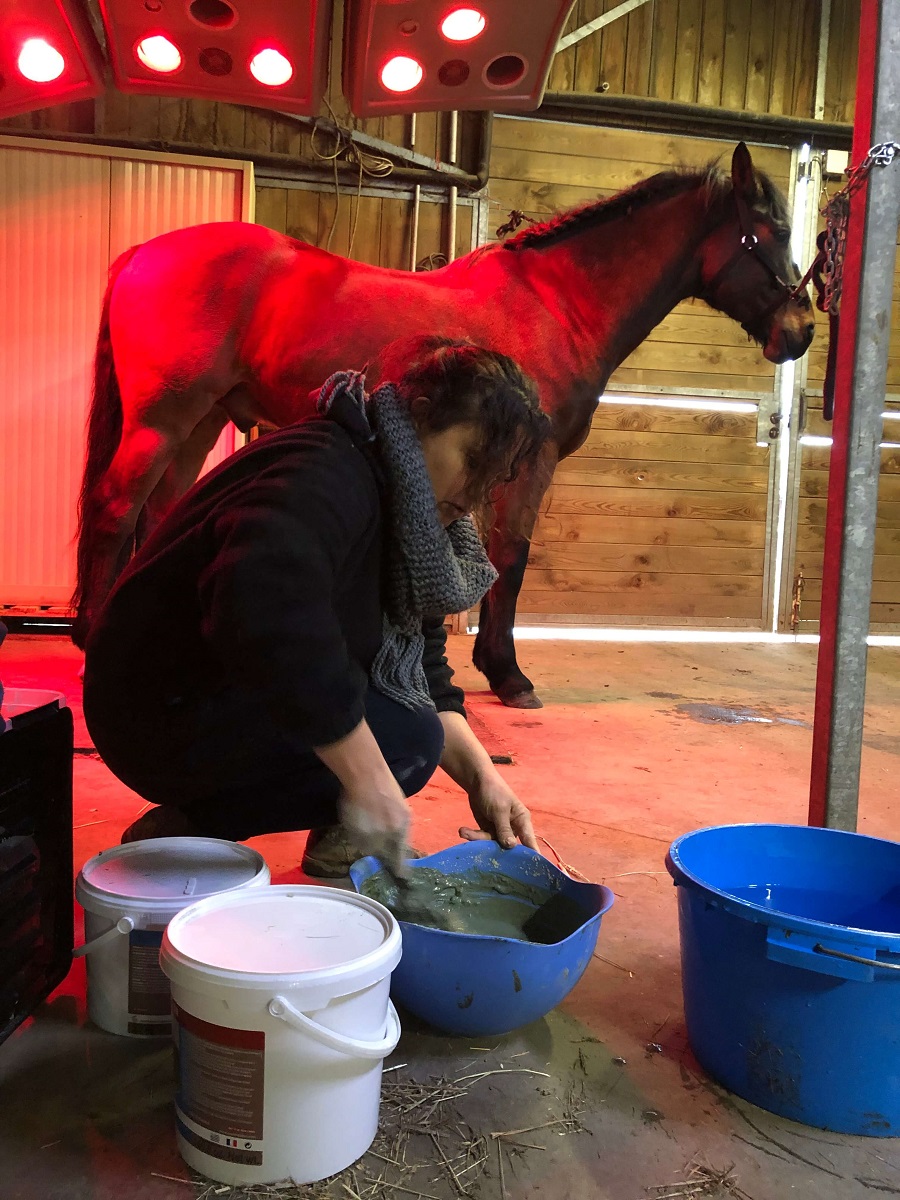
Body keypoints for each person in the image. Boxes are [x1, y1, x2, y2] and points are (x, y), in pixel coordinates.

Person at [82, 336, 550, 877]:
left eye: (493, 477)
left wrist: (485, 780)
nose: (476, 492)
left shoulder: (417, 519)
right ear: (422, 416)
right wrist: (368, 777)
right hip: (154, 704)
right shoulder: (326, 468)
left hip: (219, 686)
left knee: (410, 732)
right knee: (398, 744)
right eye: (473, 459)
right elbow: (263, 603)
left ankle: (337, 835)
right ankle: (189, 827)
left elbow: (425, 672)